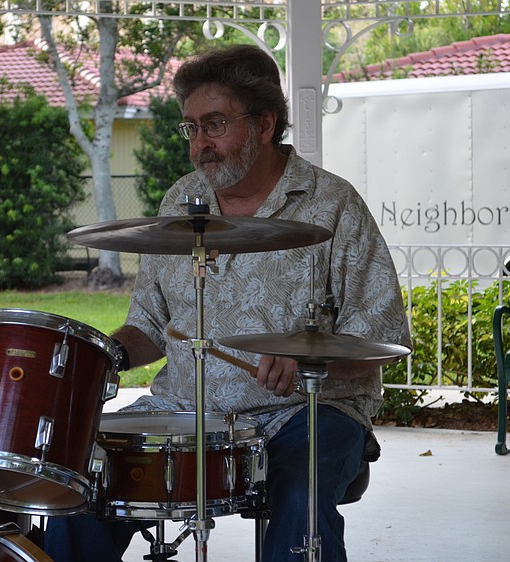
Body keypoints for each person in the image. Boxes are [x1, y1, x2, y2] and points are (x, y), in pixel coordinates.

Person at [43, 43, 411, 562]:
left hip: (305, 409)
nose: (200, 144)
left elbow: (383, 338)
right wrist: (102, 355)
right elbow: (149, 323)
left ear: (265, 124)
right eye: (190, 128)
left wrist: (312, 363)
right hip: (184, 406)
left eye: (214, 124)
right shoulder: (180, 201)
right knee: (84, 471)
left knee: (300, 494)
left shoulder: (334, 205)